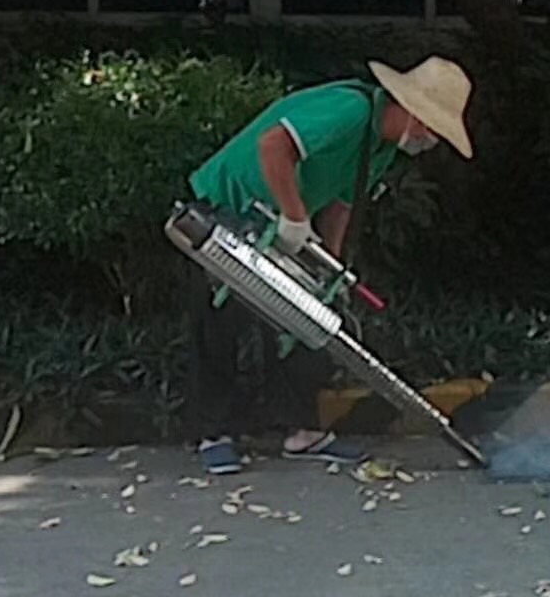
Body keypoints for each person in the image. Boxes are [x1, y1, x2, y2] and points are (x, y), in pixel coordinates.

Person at [186, 56, 474, 474]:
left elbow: (343, 200)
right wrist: (295, 217)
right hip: (231, 206)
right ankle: (215, 434)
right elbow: (274, 146)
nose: (428, 141)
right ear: (413, 112)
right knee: (222, 319)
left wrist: (329, 264)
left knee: (306, 318)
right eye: (431, 130)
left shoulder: (380, 149)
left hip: (279, 217)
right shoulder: (349, 110)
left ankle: (301, 431)